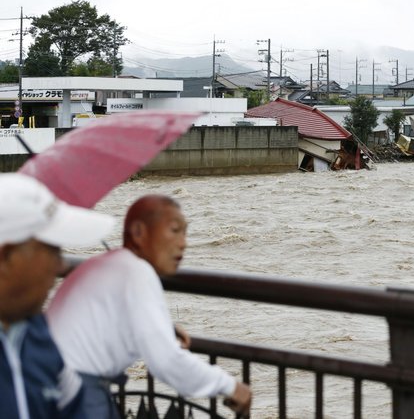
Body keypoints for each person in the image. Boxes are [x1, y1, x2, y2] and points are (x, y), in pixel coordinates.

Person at [47, 194, 252, 419]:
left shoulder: (104, 265)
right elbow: (167, 361)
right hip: (76, 396)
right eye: (175, 230)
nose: (184, 242)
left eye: (185, 232)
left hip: (49, 386)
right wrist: (231, 386)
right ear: (138, 232)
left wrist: (163, 326)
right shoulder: (137, 272)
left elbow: (107, 319)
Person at [0, 173, 115, 419]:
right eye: (53, 249)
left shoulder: (36, 333)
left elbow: (77, 410)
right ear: (6, 257)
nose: (61, 266)